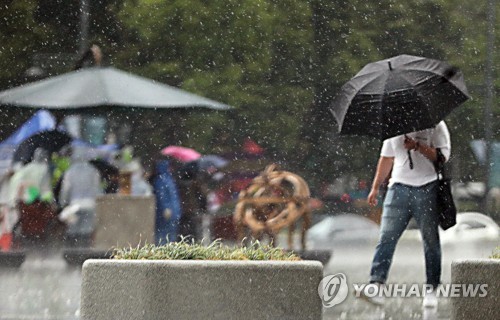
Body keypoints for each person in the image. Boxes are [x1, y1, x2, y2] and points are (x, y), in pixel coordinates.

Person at [362, 121, 451, 308]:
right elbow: (386, 158)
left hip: (428, 186)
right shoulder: (393, 124)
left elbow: (442, 157)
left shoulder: (435, 125)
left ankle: (431, 289)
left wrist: (417, 146)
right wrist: (375, 187)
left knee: (430, 240)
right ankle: (376, 285)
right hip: (398, 188)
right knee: (386, 237)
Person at [59, 148, 103, 247]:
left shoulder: (70, 172)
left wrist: (63, 203)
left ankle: (73, 254)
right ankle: (85, 252)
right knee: (86, 230)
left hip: (74, 205)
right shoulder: (93, 170)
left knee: (73, 230)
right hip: (90, 204)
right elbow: (97, 189)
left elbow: (66, 189)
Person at [151, 159, 182, 245]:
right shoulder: (161, 180)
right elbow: (162, 196)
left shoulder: (167, 179)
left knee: (170, 234)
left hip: (172, 212)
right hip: (167, 213)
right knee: (163, 235)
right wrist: (166, 208)